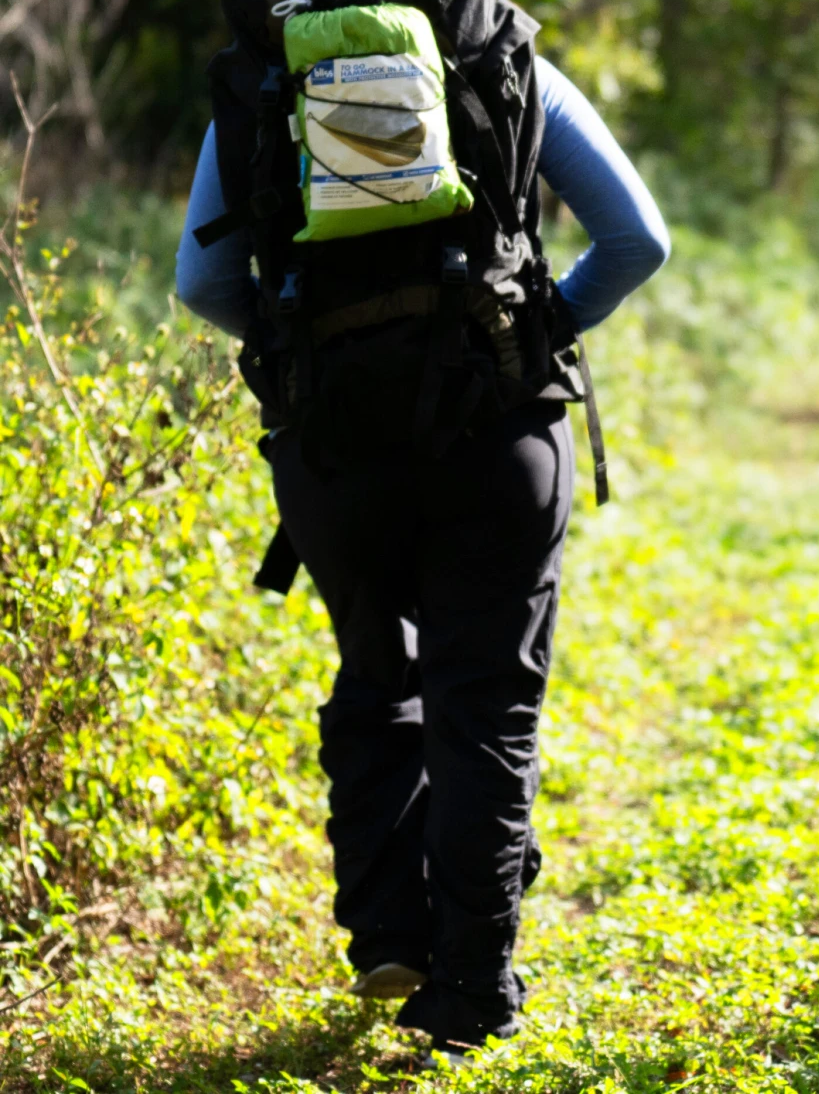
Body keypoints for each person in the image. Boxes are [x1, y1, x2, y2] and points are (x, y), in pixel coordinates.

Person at [176, 53, 669, 1064]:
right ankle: (472, 988)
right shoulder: (507, 59)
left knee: (376, 666)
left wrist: (304, 356)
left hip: (331, 446)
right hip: (501, 435)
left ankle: (389, 938)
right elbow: (636, 238)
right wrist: (531, 333)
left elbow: (203, 281)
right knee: (485, 701)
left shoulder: (267, 81)